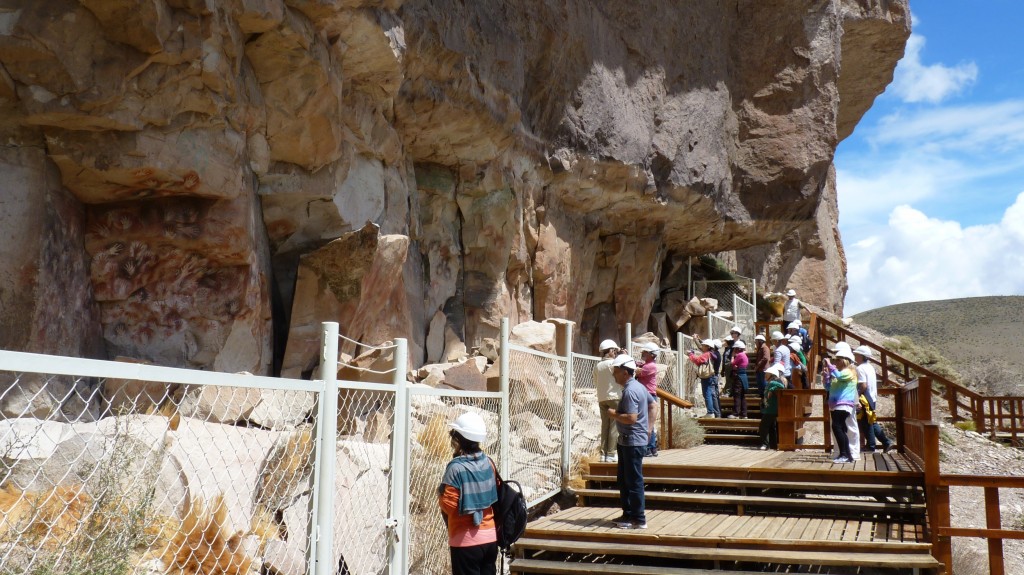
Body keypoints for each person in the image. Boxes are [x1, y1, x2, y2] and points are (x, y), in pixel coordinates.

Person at [438, 412, 498, 575]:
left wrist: (440, 494)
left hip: (465, 541)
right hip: (490, 539)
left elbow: (449, 506)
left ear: (458, 440)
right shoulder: (488, 462)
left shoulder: (455, 468)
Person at [604, 354, 651, 529]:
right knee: (625, 480)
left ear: (625, 372)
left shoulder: (631, 391)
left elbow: (631, 418)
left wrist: (613, 414)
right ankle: (629, 515)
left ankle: (638, 519)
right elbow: (652, 405)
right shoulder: (638, 387)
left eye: (616, 371)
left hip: (632, 441)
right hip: (629, 441)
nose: (614, 375)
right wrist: (648, 428)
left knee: (633, 481)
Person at [822, 347, 860, 464]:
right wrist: (826, 377)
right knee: (840, 428)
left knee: (837, 427)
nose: (835, 362)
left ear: (845, 360)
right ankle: (847, 455)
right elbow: (829, 388)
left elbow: (840, 377)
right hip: (836, 405)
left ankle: (844, 454)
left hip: (843, 404)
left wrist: (829, 366)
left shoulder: (850, 372)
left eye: (838, 360)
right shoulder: (839, 373)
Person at [853, 345, 893, 453]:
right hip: (872, 398)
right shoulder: (870, 367)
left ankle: (870, 447)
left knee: (866, 423)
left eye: (856, 355)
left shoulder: (860, 368)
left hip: (865, 398)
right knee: (872, 421)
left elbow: (863, 386)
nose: (855, 356)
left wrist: (856, 395)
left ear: (861, 356)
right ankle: (886, 442)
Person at [593, 339, 621, 463]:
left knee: (605, 425)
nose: (615, 353)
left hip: (602, 398)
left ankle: (603, 453)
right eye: (614, 350)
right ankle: (611, 453)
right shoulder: (613, 364)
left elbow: (595, 381)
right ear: (609, 351)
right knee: (614, 426)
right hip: (614, 397)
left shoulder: (597, 366)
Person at [688, 338, 721, 418]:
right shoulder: (713, 354)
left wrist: (691, 355)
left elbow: (698, 360)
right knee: (711, 394)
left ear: (707, 346)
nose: (702, 347)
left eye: (703, 346)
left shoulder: (707, 354)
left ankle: (710, 412)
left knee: (707, 394)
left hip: (706, 377)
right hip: (711, 376)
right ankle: (715, 413)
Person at [637, 342, 660, 457]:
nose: (643, 353)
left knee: (644, 423)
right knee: (649, 423)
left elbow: (637, 372)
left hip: (647, 395)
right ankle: (652, 448)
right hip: (649, 395)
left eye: (645, 352)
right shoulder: (649, 365)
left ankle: (646, 448)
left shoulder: (649, 366)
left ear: (651, 354)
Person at [758, 365, 786, 450]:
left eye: (767, 374)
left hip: (771, 409)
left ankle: (765, 444)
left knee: (763, 426)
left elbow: (781, 386)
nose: (765, 375)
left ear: (772, 375)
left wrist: (771, 389)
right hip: (769, 409)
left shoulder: (773, 383)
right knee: (771, 427)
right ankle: (773, 445)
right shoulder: (769, 383)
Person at [729, 340, 749, 418]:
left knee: (737, 395)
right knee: (742, 396)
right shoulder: (744, 355)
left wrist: (732, 356)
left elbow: (732, 363)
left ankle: (736, 413)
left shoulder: (740, 355)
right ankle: (744, 414)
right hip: (743, 376)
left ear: (737, 349)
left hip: (739, 376)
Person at [754, 334, 771, 400]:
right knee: (760, 384)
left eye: (756, 341)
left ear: (760, 341)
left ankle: (765, 397)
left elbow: (765, 358)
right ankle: (761, 396)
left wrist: (758, 365)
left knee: (764, 384)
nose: (755, 343)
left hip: (763, 369)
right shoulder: (760, 348)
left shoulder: (765, 348)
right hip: (759, 369)